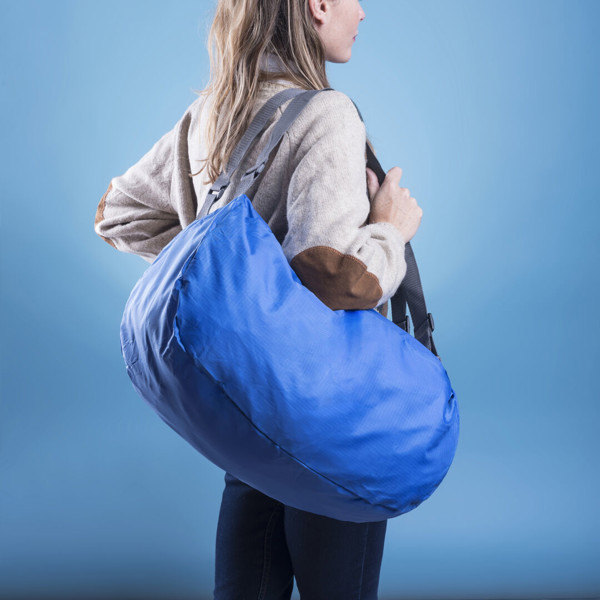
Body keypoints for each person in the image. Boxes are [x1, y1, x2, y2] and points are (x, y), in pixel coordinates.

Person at [94, 0, 423, 597]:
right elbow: (334, 278)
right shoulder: (327, 113)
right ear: (319, 7)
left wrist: (235, 275)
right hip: (328, 419)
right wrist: (391, 230)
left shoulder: (209, 115)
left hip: (249, 416)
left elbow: (120, 213)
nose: (365, 12)